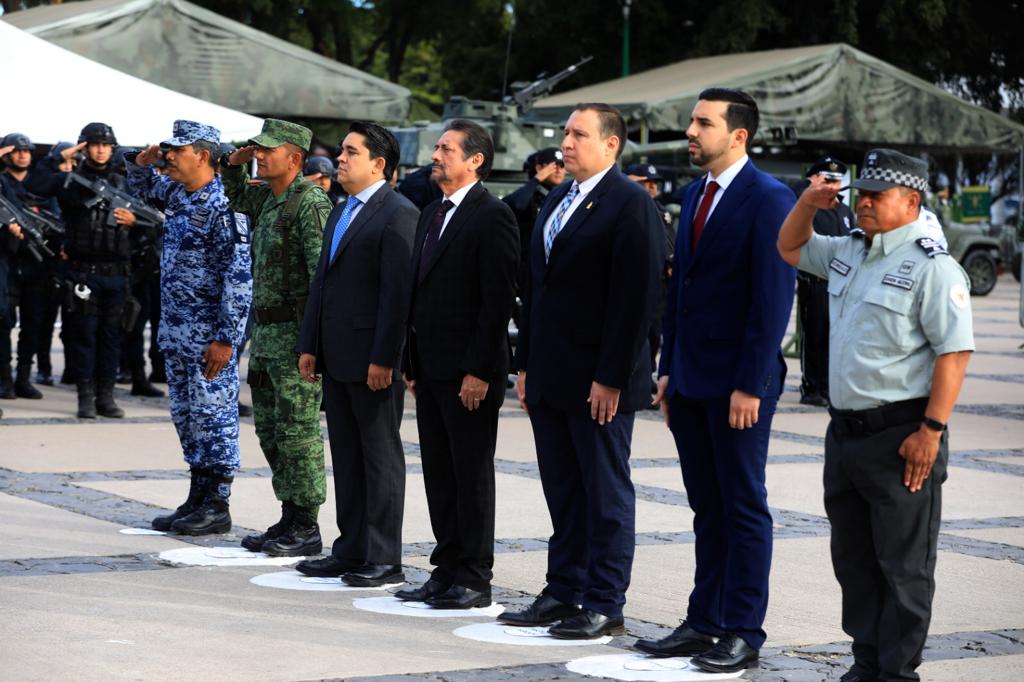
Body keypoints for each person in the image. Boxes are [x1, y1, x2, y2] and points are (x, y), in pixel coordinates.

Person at [777, 149, 973, 682]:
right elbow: (789, 246)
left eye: (876, 196)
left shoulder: (933, 267)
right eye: (860, 194)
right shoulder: (848, 250)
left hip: (902, 437)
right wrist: (808, 202)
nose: (863, 203)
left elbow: (954, 353)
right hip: (846, 436)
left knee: (903, 567)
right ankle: (865, 664)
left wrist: (931, 431)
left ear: (911, 202)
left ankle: (896, 673)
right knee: (855, 562)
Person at [637, 89, 796, 673]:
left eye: (703, 122)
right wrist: (667, 369)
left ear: (738, 135)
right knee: (707, 507)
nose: (690, 130)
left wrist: (751, 383)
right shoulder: (695, 192)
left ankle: (742, 630)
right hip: (690, 381)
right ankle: (703, 620)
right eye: (692, 120)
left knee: (743, 506)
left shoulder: (769, 198)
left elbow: (772, 300)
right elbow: (679, 290)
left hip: (738, 386)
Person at [499, 103, 662, 639]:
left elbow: (636, 299)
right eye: (565, 133)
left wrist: (612, 376)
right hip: (552, 374)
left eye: (579, 135)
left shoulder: (630, 203)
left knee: (604, 494)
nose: (566, 143)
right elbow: (537, 291)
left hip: (599, 380)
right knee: (564, 490)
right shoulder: (558, 200)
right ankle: (563, 588)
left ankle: (604, 600)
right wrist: (525, 365)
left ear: (611, 144)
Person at [395, 119, 519, 609]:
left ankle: (473, 575)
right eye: (437, 147)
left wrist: (480, 370)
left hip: (468, 372)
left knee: (470, 474)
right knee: (439, 472)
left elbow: (496, 301)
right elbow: (418, 292)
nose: (436, 155)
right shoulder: (432, 212)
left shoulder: (493, 215)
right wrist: (410, 360)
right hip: (429, 368)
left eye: (447, 149)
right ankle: (445, 567)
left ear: (475, 160)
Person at [294, 121, 418, 585]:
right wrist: (310, 344)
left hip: (372, 360)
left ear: (378, 164)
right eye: (342, 151)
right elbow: (322, 282)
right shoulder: (342, 209)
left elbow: (397, 295)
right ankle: (350, 549)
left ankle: (384, 558)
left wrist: (386, 358)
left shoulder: (398, 212)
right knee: (347, 456)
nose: (340, 159)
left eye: (351, 152)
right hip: (337, 354)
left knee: (379, 457)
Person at [126, 120, 252, 536]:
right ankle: (197, 496)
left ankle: (217, 503)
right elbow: (143, 187)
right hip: (177, 335)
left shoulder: (225, 205)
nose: (169, 158)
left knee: (215, 417)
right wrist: (141, 161)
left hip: (208, 339)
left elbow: (238, 279)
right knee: (187, 416)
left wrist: (226, 339)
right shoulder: (179, 194)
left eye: (177, 151)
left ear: (203, 155)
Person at [220, 119, 332, 556]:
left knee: (298, 433)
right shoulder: (268, 197)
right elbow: (233, 195)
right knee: (269, 431)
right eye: (258, 149)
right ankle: (289, 513)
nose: (260, 156)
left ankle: (306, 524)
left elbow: (322, 278)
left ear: (295, 158)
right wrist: (234, 162)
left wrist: (313, 343)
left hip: (295, 337)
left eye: (268, 150)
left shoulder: (310, 202)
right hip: (267, 334)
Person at [26, 123, 141, 419]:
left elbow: (151, 227)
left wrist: (134, 222)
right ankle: (86, 398)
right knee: (84, 336)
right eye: (94, 144)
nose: (101, 150)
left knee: (111, 338)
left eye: (105, 145)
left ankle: (106, 397)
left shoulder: (124, 183)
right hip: (83, 273)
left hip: (117, 273)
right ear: (84, 147)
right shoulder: (72, 180)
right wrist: (58, 158)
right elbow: (34, 185)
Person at [796, 155, 853, 407]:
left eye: (836, 181)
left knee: (836, 338)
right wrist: (809, 187)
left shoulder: (844, 210)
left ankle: (829, 386)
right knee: (815, 336)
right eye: (826, 180)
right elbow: (791, 200)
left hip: (841, 284)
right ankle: (812, 387)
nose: (832, 186)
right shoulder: (808, 204)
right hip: (816, 282)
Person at [0, 132, 48, 401]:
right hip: (7, 264)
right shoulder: (2, 183)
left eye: (26, 151)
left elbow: (56, 216)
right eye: (16, 151)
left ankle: (23, 379)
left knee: (33, 324)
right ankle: (4, 379)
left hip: (35, 264)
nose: (22, 155)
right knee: (3, 323)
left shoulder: (39, 183)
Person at [624, 162, 675, 396]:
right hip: (638, 280)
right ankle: (636, 378)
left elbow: (669, 241)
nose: (652, 187)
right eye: (645, 183)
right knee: (638, 333)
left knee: (654, 333)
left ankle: (646, 375)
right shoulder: (629, 207)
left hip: (660, 283)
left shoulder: (661, 210)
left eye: (654, 183)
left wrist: (671, 262)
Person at [502, 147, 565, 296]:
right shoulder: (529, 195)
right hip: (527, 269)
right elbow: (516, 205)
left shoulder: (566, 195)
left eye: (562, 165)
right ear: (539, 168)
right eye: (553, 165)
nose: (558, 170)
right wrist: (537, 179)